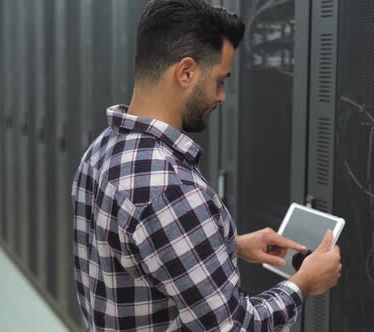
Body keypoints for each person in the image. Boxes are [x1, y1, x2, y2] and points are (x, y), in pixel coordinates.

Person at [71, 0, 342, 330]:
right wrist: (304, 284)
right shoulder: (170, 189)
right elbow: (235, 326)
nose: (222, 97)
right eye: (220, 80)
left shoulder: (101, 151)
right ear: (185, 72)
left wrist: (231, 245)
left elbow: (138, 253)